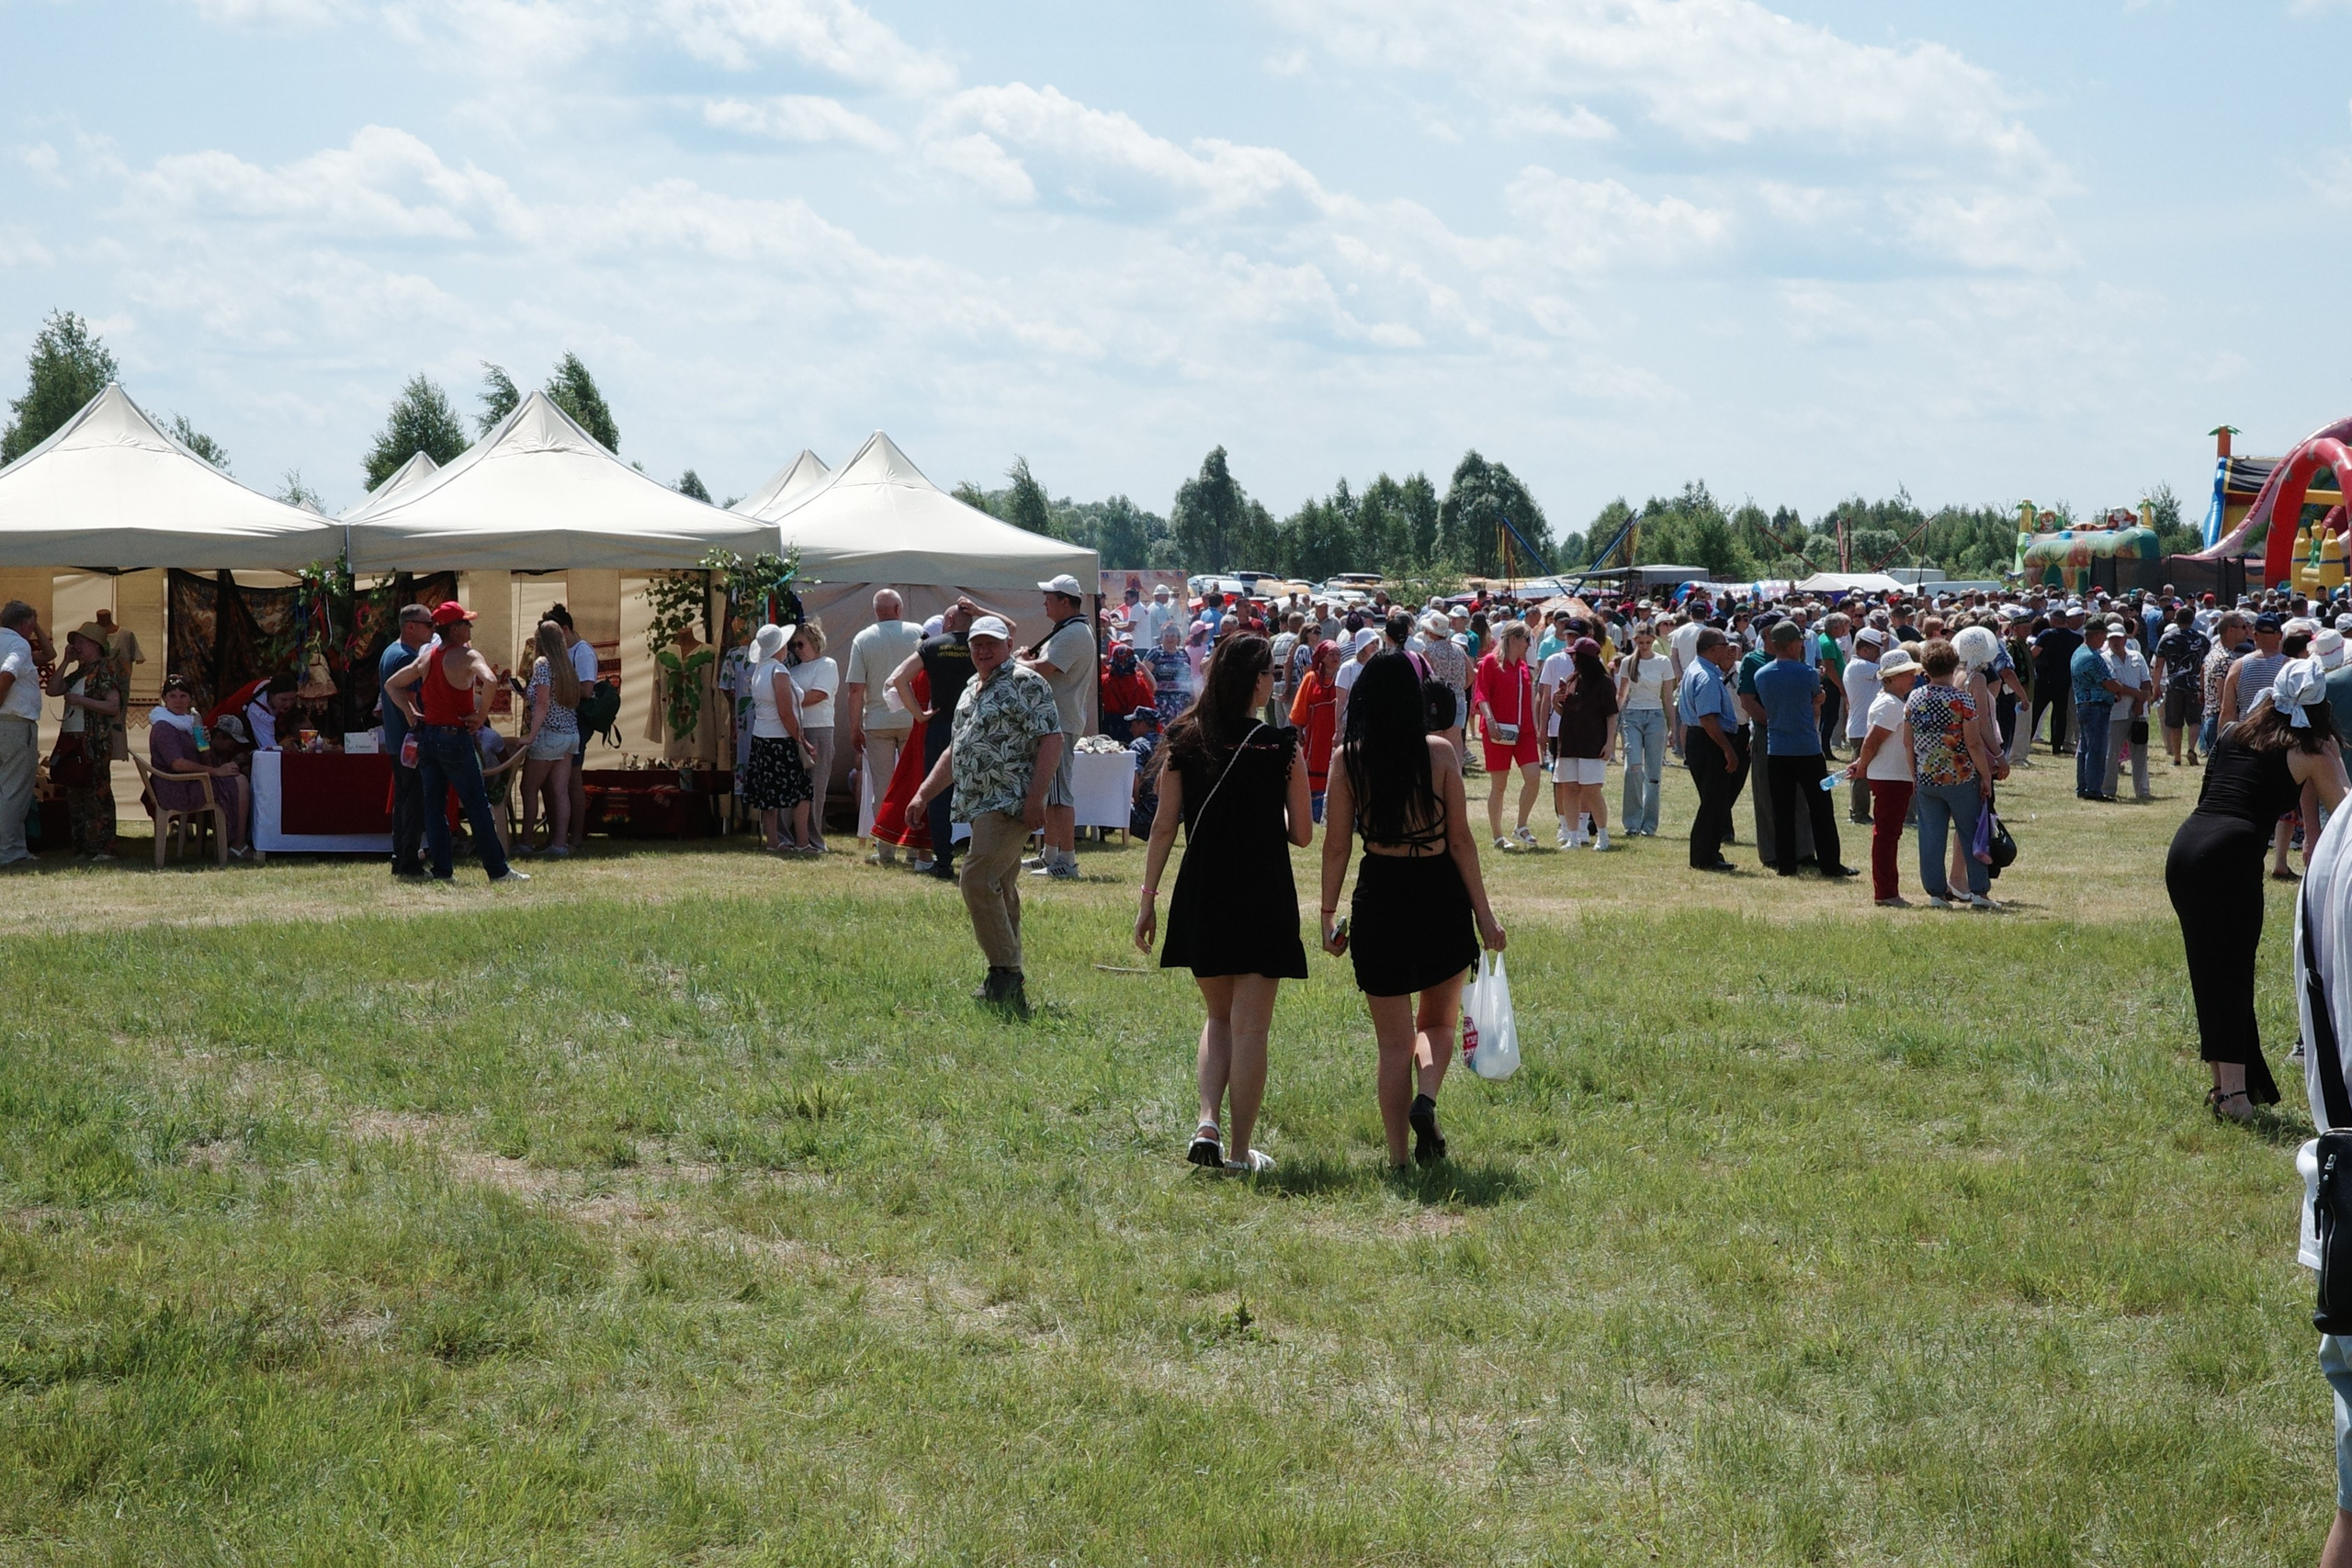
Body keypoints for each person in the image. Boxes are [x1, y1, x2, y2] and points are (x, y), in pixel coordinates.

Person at [1318, 653, 1506, 1169]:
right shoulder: (1441, 753)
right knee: (1439, 1024)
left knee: (1392, 1044)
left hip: (1380, 892)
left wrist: (1327, 913)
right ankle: (1426, 1099)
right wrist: (1485, 916)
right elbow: (1461, 841)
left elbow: (1336, 846)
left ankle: (1399, 1159)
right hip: (1438, 892)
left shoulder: (1347, 761)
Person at [1135, 634, 1312, 1175]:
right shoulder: (1281, 746)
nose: (1274, 682)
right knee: (1251, 1029)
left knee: (1218, 1016)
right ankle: (1238, 1154)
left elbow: (1163, 827)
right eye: (1270, 673)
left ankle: (1206, 1122)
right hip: (1263, 892)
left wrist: (1147, 900)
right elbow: (1303, 834)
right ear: (1255, 681)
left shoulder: (1184, 739)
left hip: (1203, 889)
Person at [2170, 658, 2349, 1122]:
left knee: (2208, 971)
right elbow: (2346, 814)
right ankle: (2235, 1095)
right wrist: (2332, 755)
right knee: (2232, 973)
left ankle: (2224, 1085)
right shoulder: (2311, 752)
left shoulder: (2233, 733)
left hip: (2187, 848)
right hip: (2229, 857)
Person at [909, 615, 1065, 1018]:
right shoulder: (970, 688)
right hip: (978, 803)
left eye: (991, 643)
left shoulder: (1026, 682)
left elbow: (1052, 739)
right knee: (1001, 885)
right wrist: (924, 794)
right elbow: (957, 749)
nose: (983, 650)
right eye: (977, 644)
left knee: (977, 878)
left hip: (1010, 802)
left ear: (1009, 645)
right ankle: (1007, 980)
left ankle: (1006, 972)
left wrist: (1036, 798)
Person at [381, 603, 526, 884]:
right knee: (477, 806)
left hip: (429, 738)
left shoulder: (427, 657)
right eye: (466, 623)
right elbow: (490, 679)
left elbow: (391, 685)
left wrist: (411, 715)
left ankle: (442, 872)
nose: (470, 628)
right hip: (454, 738)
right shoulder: (467, 655)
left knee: (434, 809)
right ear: (455, 629)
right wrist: (480, 717)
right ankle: (498, 871)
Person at [1753, 620, 1856, 880]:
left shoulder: (1761, 675)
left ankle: (1786, 865)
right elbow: (1813, 700)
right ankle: (1830, 864)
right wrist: (1819, 697)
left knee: (1782, 810)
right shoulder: (1807, 673)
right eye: (1799, 641)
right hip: (1807, 750)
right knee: (1821, 809)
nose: (1802, 645)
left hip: (1777, 750)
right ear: (1791, 645)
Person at [1906, 639, 1999, 910]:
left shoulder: (1915, 697)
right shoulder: (1962, 700)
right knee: (1971, 834)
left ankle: (1936, 893)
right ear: (1953, 666)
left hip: (1927, 776)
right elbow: (1974, 743)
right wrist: (1985, 775)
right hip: (1961, 777)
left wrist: (1914, 775)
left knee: (1931, 836)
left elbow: (1907, 742)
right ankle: (1979, 891)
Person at [892, 599, 977, 882]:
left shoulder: (931, 646)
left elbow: (900, 679)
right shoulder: (981, 646)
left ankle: (943, 860)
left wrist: (919, 714)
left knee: (938, 796)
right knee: (979, 792)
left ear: (948, 622)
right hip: (974, 725)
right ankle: (982, 856)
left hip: (940, 725)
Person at [1020, 574, 1094, 880]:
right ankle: (1051, 855)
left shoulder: (1073, 633)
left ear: (1065, 602)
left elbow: (1045, 668)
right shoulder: (1071, 630)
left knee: (1060, 795)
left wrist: (1014, 663)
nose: (1045, 604)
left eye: (1049, 599)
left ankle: (1068, 861)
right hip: (1060, 721)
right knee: (1053, 794)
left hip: (1059, 723)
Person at [844, 590, 923, 863]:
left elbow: (856, 689)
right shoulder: (918, 633)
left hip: (877, 722)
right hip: (912, 718)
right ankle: (914, 848)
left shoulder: (863, 639)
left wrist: (854, 728)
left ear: (876, 611)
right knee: (914, 784)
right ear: (899, 608)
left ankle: (886, 848)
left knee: (883, 787)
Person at [148, 674, 254, 858]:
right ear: (164, 698)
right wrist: (216, 772)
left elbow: (204, 758)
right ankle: (238, 843)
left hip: (191, 781)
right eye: (173, 696)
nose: (178, 701)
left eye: (183, 696)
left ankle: (234, 842)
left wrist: (204, 743)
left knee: (237, 777)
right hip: (176, 788)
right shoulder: (164, 727)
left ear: (190, 698)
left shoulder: (187, 723)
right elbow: (178, 764)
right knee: (240, 783)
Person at [1845, 645, 1920, 907]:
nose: (1912, 678)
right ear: (1891, 677)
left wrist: (1861, 763)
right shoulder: (1890, 704)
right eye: (1907, 674)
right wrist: (1863, 765)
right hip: (1891, 777)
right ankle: (1886, 892)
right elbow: (1871, 741)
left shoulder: (1892, 702)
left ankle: (1888, 890)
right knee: (1887, 836)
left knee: (1889, 834)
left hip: (1893, 776)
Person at [46, 622, 122, 860]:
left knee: (97, 792)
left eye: (81, 642)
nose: (76, 647)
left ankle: (102, 846)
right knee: (76, 792)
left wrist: (81, 701)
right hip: (72, 740)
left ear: (95, 645)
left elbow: (113, 706)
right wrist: (66, 661)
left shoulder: (104, 670)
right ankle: (82, 846)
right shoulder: (79, 671)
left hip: (93, 741)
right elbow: (52, 689)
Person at [740, 624, 816, 854]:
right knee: (801, 791)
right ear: (780, 648)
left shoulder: (759, 670)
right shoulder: (779, 671)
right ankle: (802, 841)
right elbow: (785, 711)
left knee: (768, 794)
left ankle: (773, 841)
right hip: (780, 738)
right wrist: (801, 739)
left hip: (761, 737)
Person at [1680, 628, 1747, 872]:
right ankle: (1703, 856)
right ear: (1712, 649)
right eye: (1723, 645)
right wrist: (1728, 749)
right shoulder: (1706, 677)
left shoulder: (1697, 669)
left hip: (1702, 739)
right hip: (1709, 741)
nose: (1728, 650)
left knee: (1715, 801)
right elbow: (1708, 719)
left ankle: (1709, 852)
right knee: (1713, 801)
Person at [1474, 621, 1543, 850]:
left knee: (1533, 777)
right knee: (1499, 785)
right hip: (1498, 731)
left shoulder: (1523, 667)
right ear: (1513, 639)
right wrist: (1489, 719)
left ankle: (1521, 826)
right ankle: (1498, 835)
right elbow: (1481, 694)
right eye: (1526, 639)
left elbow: (1529, 700)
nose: (1528, 644)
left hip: (1524, 732)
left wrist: (1536, 727)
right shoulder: (1491, 663)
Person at [379, 603, 435, 877]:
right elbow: (412, 701)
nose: (433, 629)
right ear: (411, 626)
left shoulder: (390, 652)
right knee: (413, 803)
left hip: (396, 740)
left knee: (403, 801)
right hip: (409, 741)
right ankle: (409, 862)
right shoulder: (406, 658)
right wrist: (419, 723)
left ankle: (399, 856)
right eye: (429, 624)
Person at [516, 620, 579, 856]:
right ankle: (559, 845)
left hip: (549, 735)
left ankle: (525, 843)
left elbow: (543, 703)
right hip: (569, 735)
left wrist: (530, 736)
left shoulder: (543, 663)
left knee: (528, 788)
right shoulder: (566, 664)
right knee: (560, 791)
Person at [1548, 638, 1618, 850]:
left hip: (1593, 744)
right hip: (1569, 743)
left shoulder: (1605, 683)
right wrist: (1555, 702)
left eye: (1574, 654)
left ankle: (1603, 836)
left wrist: (1609, 743)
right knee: (1569, 788)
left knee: (1591, 790)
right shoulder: (1571, 679)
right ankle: (1573, 837)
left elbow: (1611, 715)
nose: (1571, 658)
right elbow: (1567, 712)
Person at [545, 604, 600, 851]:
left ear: (565, 630)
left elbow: (587, 690)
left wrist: (559, 687)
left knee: (573, 780)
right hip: (564, 720)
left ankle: (576, 837)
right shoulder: (565, 651)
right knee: (558, 781)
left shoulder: (582, 652)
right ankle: (559, 835)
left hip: (578, 721)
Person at [1613, 621, 1672, 838]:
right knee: (1633, 767)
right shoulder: (1628, 662)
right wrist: (1614, 719)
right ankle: (1632, 822)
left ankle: (1649, 824)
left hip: (1655, 715)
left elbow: (1668, 697)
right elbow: (1621, 694)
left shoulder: (1663, 662)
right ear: (1635, 641)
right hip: (1633, 716)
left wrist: (1673, 727)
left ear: (1653, 641)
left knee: (1653, 773)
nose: (1645, 646)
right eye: (1641, 643)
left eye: (1648, 642)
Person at [786, 622, 840, 852]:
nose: (797, 649)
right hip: (796, 732)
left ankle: (814, 838)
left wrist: (787, 703)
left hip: (819, 730)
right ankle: (795, 836)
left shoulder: (827, 665)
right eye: (793, 645)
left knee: (816, 788)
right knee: (796, 788)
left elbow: (819, 694)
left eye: (801, 644)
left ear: (815, 642)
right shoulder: (793, 670)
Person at [2069, 625, 2131, 801]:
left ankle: (2083, 787)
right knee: (2097, 749)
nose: (2105, 640)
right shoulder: (2092, 657)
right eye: (2104, 635)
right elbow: (2108, 683)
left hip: (2085, 705)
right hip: (2096, 708)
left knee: (2085, 748)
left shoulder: (2078, 653)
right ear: (2096, 635)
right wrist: (2119, 688)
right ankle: (2094, 789)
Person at [2099, 620, 2154, 801]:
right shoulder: (2104, 658)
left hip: (2138, 712)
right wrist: (2138, 694)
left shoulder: (2137, 656)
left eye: (2118, 638)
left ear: (2125, 639)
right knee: (2112, 753)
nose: (2115, 642)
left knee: (2140, 752)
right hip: (2116, 712)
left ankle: (2143, 790)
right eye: (2112, 639)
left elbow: (2146, 680)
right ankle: (2108, 789)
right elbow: (2115, 685)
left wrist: (2140, 701)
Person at [1290, 638, 1342, 823]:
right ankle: (1314, 813)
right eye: (1331, 654)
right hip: (1315, 735)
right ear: (1322, 657)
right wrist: (1298, 730)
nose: (1336, 657)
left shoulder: (1342, 677)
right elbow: (1299, 707)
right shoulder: (1311, 678)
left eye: (1338, 654)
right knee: (1314, 766)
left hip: (1335, 732)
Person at [2154, 604, 2211, 767]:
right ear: (2192, 620)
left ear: (2175, 619)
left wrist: (2156, 686)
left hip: (2174, 686)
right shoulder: (2201, 639)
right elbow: (2207, 663)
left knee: (2175, 722)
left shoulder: (2167, 638)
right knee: (2195, 720)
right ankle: (2191, 748)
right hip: (2195, 685)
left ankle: (2177, 757)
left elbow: (2158, 665)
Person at [1841, 627, 1886, 824]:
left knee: (1864, 771)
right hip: (1861, 728)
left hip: (1863, 726)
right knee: (1861, 772)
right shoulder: (1859, 666)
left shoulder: (1861, 665)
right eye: (1876, 650)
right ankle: (1858, 813)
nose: (1878, 655)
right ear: (1864, 650)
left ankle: (1859, 811)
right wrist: (1889, 646)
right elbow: (1889, 670)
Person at [1419, 612, 1471, 774]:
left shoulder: (1428, 651)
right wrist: (1459, 688)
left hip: (1437, 702)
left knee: (1437, 741)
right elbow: (1472, 674)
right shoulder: (1459, 649)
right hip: (1459, 700)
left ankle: (1438, 777)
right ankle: (1456, 776)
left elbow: (1425, 679)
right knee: (1456, 742)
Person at [1099, 641, 1153, 743]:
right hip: (1133, 728)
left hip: (1110, 727)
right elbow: (1150, 706)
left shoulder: (1103, 681)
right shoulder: (1140, 683)